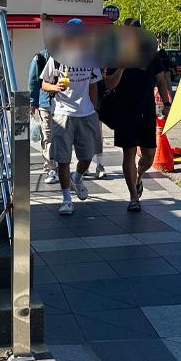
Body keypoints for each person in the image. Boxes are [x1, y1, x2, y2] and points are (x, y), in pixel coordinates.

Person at [100, 18, 172, 212]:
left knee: (149, 155)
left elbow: (161, 80)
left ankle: (139, 177)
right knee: (129, 153)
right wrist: (122, 67)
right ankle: (133, 197)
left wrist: (166, 103)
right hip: (123, 110)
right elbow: (108, 85)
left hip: (146, 110)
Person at [40, 19, 103, 216]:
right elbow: (44, 83)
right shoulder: (57, 58)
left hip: (86, 113)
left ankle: (78, 177)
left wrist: (94, 108)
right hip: (62, 113)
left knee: (86, 156)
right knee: (63, 159)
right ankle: (66, 198)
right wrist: (55, 87)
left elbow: (93, 85)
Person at [27, 42, 58, 184]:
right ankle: (50, 168)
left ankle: (59, 166)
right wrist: (33, 103)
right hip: (45, 103)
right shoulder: (40, 57)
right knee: (48, 137)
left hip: (63, 104)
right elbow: (33, 81)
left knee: (60, 138)